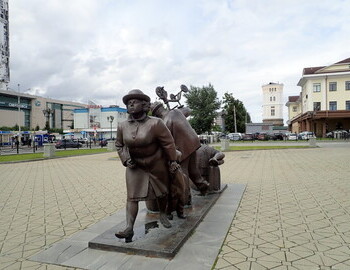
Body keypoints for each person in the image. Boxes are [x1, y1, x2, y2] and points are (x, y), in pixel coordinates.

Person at [115, 89, 179, 243]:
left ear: (144, 105)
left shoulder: (155, 123)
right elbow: (119, 145)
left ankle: (163, 214)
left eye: (134, 102)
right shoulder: (122, 125)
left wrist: (172, 161)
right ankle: (129, 228)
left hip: (156, 164)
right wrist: (125, 158)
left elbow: (168, 144)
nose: (130, 104)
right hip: (135, 166)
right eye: (128, 103)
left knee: (161, 192)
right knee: (132, 196)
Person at [150, 102, 210, 204]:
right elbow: (188, 110)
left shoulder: (165, 122)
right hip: (193, 143)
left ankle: (185, 200)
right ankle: (204, 187)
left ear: (156, 114)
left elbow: (166, 141)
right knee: (193, 170)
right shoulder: (176, 111)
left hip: (183, 149)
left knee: (183, 173)